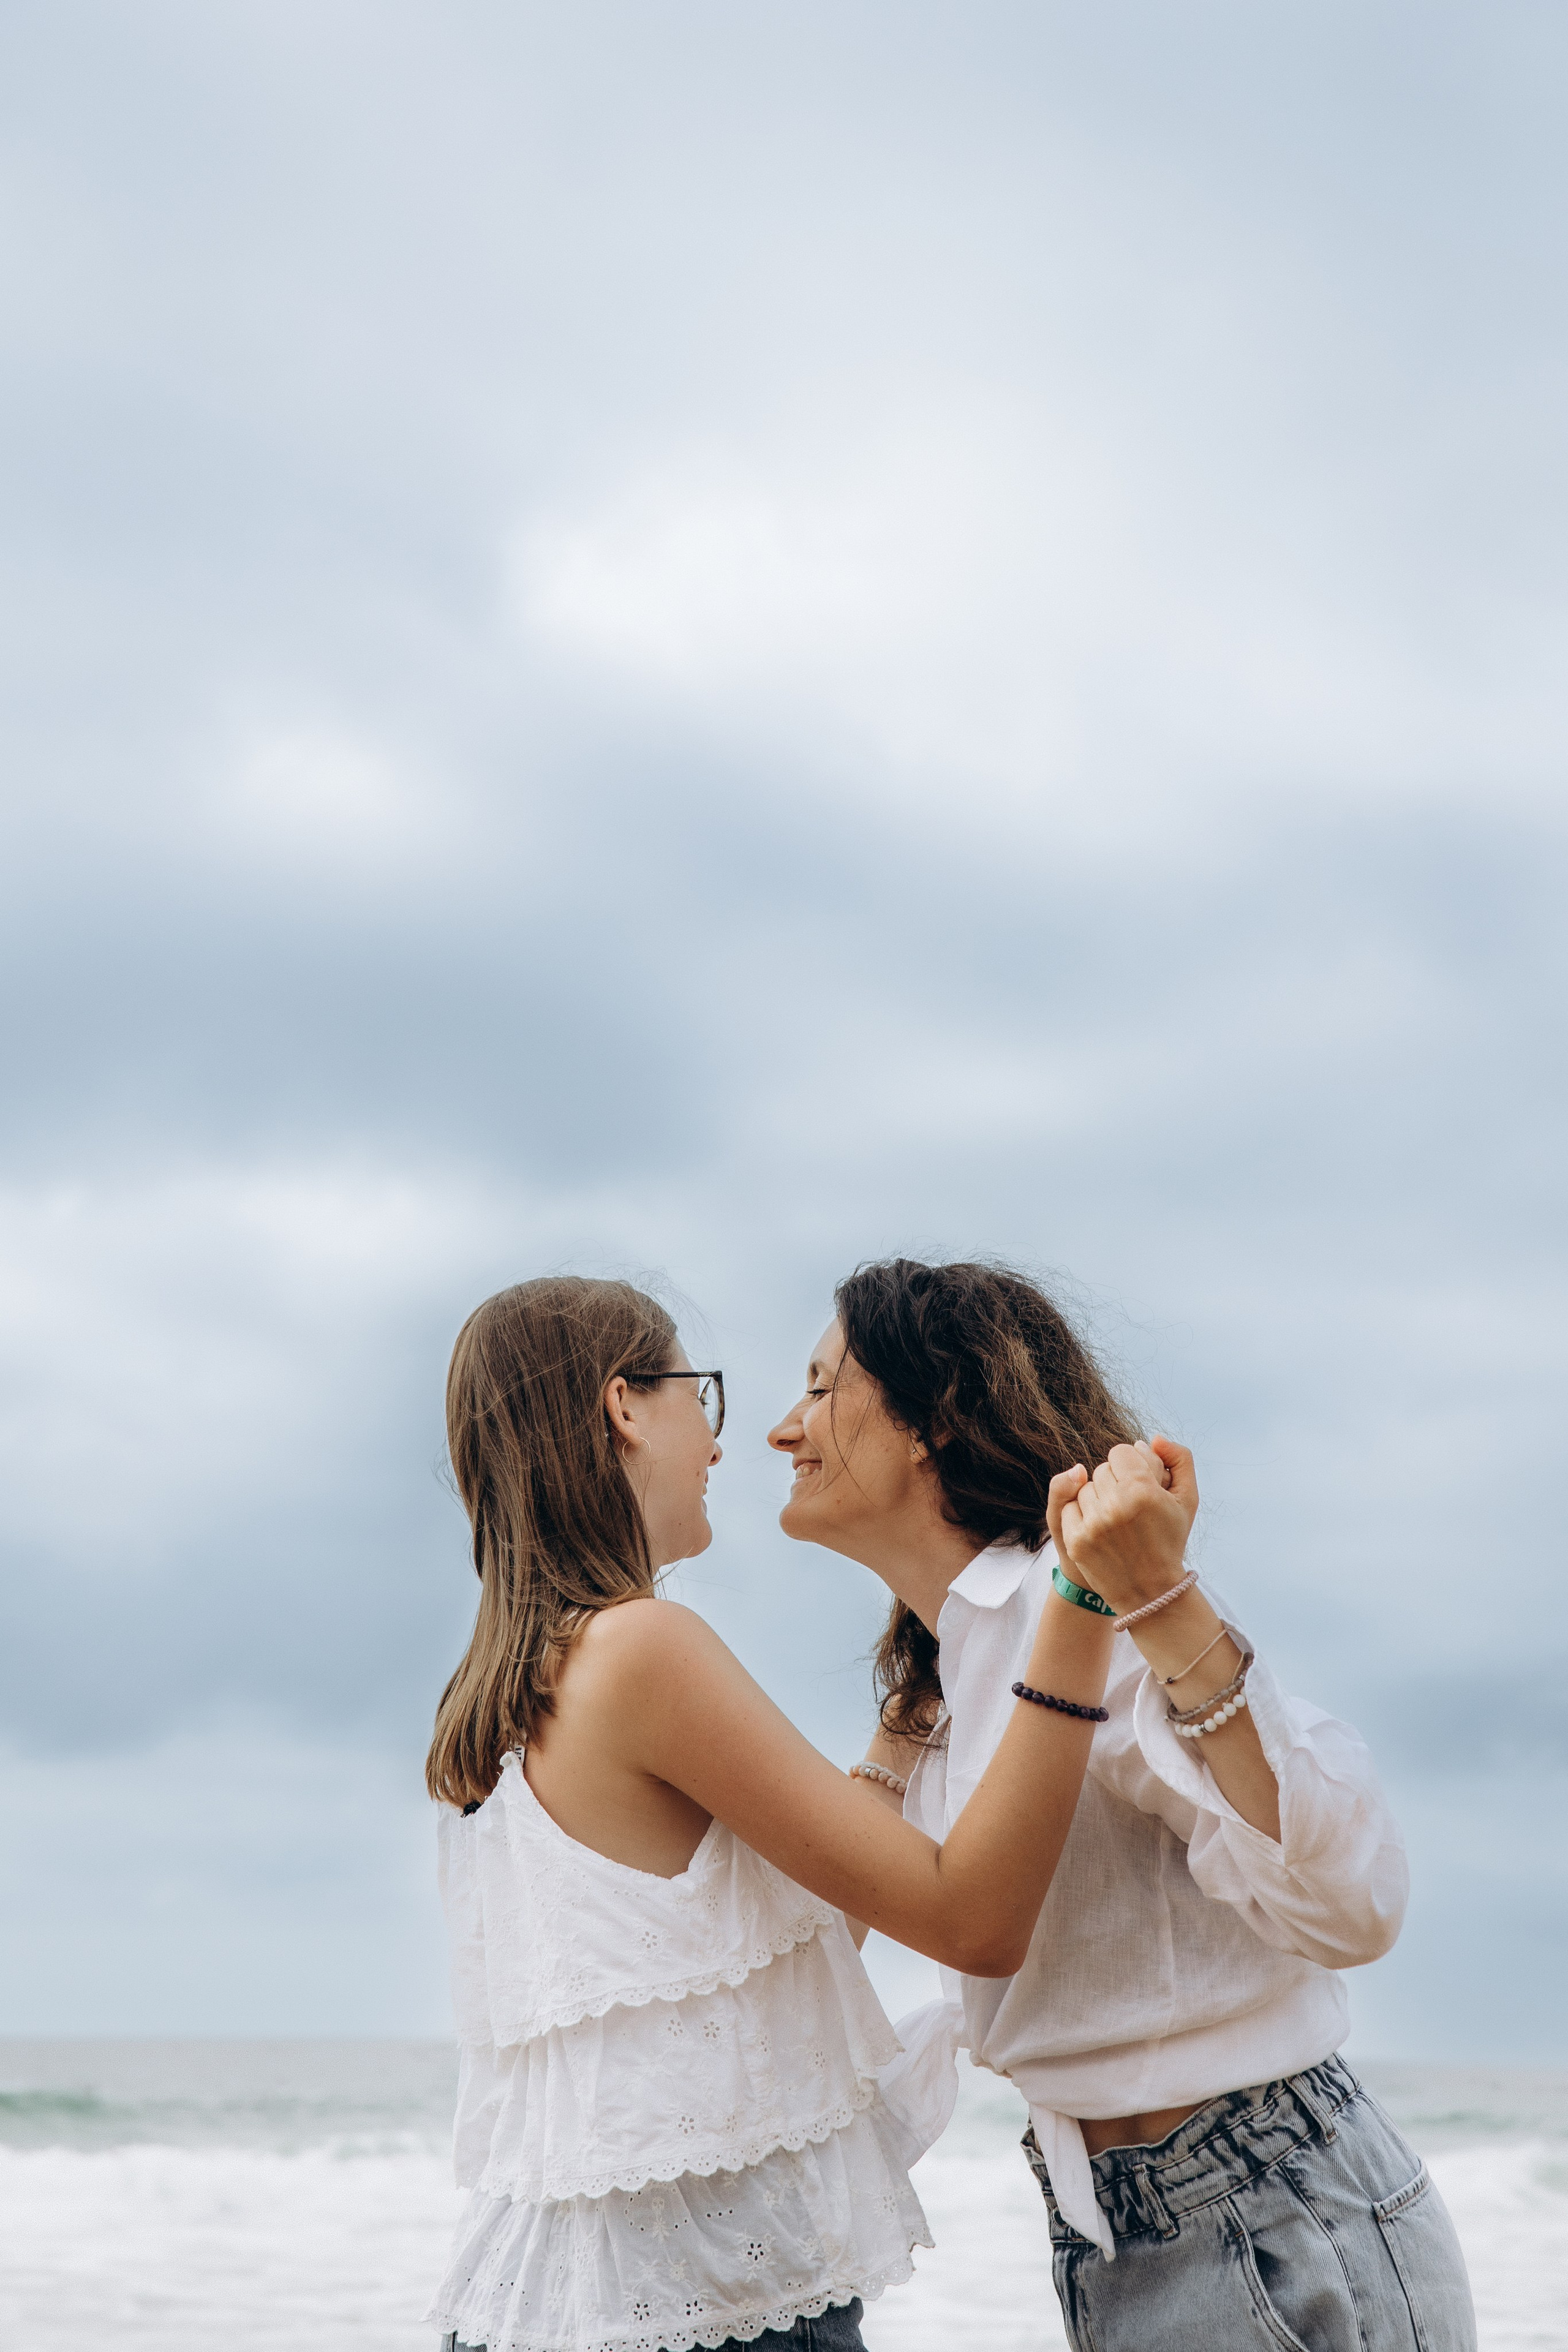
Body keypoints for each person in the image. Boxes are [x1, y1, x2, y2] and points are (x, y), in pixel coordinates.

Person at [424, 1274, 1174, 2352]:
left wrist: (902, 1731)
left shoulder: (501, 1696)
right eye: (701, 1397)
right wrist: (1082, 1607)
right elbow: (974, 1920)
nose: (725, 1443)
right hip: (704, 2315)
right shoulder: (644, 1648)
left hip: (565, 2304)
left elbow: (777, 1939)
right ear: (624, 1407)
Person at [768, 1256, 1477, 2352]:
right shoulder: (953, 1675)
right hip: (1134, 2235)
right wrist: (902, 1732)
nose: (785, 1428)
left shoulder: (1083, 1601)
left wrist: (1159, 1598)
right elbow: (820, 1958)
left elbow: (1351, 1908)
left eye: (821, 1389)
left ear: (931, 1421)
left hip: (1268, 2222)